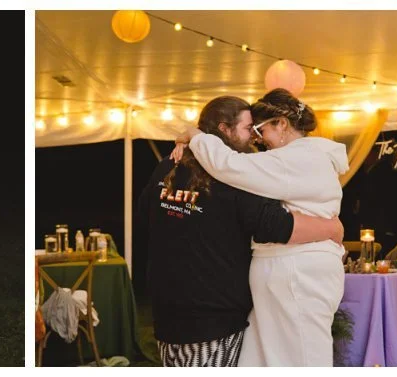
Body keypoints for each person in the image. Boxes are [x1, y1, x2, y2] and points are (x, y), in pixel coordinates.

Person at [140, 95, 344, 367]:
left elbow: (145, 214)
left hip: (168, 311)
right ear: (224, 129)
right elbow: (275, 224)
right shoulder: (236, 179)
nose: (255, 139)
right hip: (213, 313)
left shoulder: (168, 165)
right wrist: (331, 227)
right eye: (250, 129)